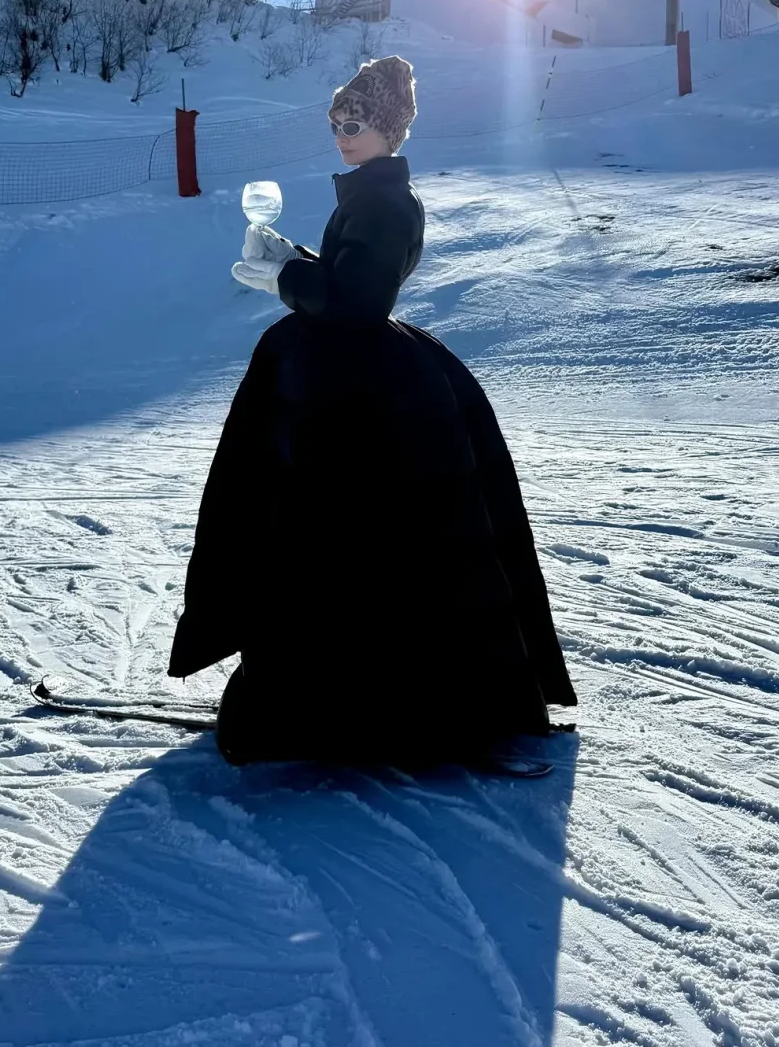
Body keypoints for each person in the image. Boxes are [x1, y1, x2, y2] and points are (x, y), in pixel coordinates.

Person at [168, 55, 576, 767]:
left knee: (342, 530)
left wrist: (286, 276)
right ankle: (349, 690)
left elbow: (360, 302)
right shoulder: (371, 194)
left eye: (354, 124)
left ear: (389, 129)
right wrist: (292, 259)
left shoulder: (386, 200)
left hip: (360, 383)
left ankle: (357, 702)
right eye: (335, 123)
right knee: (345, 530)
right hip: (353, 371)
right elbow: (348, 279)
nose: (341, 135)